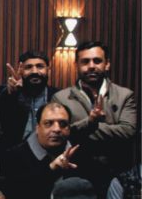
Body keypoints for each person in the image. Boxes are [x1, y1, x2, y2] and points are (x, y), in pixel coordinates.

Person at [0, 102, 104, 199]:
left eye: (63, 124)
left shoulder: (82, 155)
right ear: (37, 127)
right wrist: (51, 169)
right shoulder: (15, 157)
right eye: (48, 123)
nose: (56, 129)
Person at [51, 41, 138, 174]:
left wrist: (83, 129)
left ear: (107, 64)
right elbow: (62, 134)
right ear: (76, 65)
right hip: (77, 173)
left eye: (97, 61)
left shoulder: (125, 95)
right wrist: (90, 122)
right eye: (85, 61)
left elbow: (128, 132)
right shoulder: (60, 98)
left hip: (118, 172)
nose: (91, 66)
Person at [0, 50, 60, 157]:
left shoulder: (57, 96)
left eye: (40, 66)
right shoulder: (8, 94)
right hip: (15, 156)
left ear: (48, 69)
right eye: (28, 67)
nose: (34, 71)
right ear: (21, 71)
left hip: (50, 156)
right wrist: (12, 94)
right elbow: (1, 116)